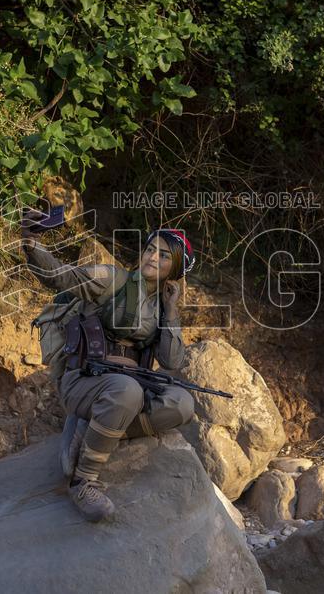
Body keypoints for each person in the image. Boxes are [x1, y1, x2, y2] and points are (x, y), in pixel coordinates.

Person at [20, 214, 197, 522]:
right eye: (150, 249)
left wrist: (171, 312)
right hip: (82, 381)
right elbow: (62, 277)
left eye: (164, 255)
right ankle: (83, 481)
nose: (152, 257)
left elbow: (172, 361)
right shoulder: (111, 279)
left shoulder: (162, 307)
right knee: (126, 391)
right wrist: (32, 245)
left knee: (182, 404)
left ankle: (91, 430)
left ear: (176, 268)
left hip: (126, 390)